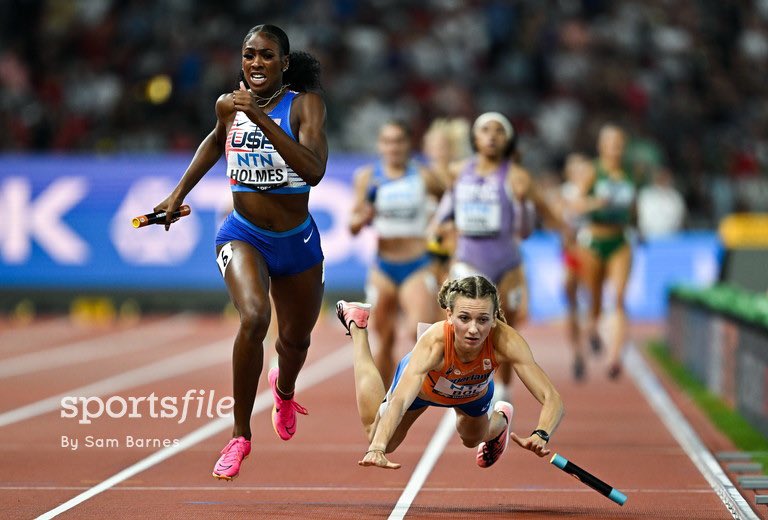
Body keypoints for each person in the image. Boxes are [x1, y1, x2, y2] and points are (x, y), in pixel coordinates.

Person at [153, 24, 327, 480]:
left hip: (297, 242)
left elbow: (313, 170)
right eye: (249, 54)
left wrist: (262, 118)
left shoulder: (305, 106)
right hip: (243, 233)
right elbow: (215, 141)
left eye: (266, 55)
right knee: (254, 318)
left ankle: (284, 391)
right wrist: (177, 193)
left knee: (296, 341)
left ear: (284, 63)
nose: (255, 63)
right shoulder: (229, 105)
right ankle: (240, 435)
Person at [335, 275, 564, 470]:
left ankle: (500, 420)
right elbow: (400, 400)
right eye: (464, 318)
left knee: (472, 439)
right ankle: (358, 327)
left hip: (472, 394)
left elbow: (551, 397)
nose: (473, 329)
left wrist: (542, 433)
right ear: (449, 315)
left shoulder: (506, 341)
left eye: (483, 320)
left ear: (494, 319)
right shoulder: (434, 343)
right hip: (422, 392)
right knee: (379, 437)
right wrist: (377, 447)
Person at [430, 112, 565, 402]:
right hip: (468, 259)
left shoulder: (517, 176)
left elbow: (537, 219)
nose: (492, 136)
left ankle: (502, 389)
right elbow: (446, 206)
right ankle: (464, 383)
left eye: (499, 131)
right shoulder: (458, 171)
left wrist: (562, 231)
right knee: (463, 323)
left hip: (507, 263)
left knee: (505, 328)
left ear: (508, 140)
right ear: (475, 139)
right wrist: (439, 227)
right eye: (485, 130)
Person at [348, 120, 446, 385]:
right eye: (388, 141)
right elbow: (353, 226)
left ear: (408, 145)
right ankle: (385, 401)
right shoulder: (367, 177)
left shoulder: (423, 176)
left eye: (399, 141)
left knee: (421, 334)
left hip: (418, 265)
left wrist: (440, 228)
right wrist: (363, 217)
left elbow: (449, 203)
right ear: (381, 145)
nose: (393, 147)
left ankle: (413, 395)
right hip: (383, 268)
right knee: (384, 339)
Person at [576, 124, 636, 379]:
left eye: (619, 144)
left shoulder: (631, 173)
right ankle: (592, 328)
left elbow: (634, 206)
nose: (615, 149)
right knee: (596, 301)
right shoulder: (593, 171)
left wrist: (637, 224)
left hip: (619, 240)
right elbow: (575, 204)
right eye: (610, 143)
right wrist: (594, 202)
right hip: (594, 240)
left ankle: (614, 357)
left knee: (620, 297)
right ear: (601, 146)